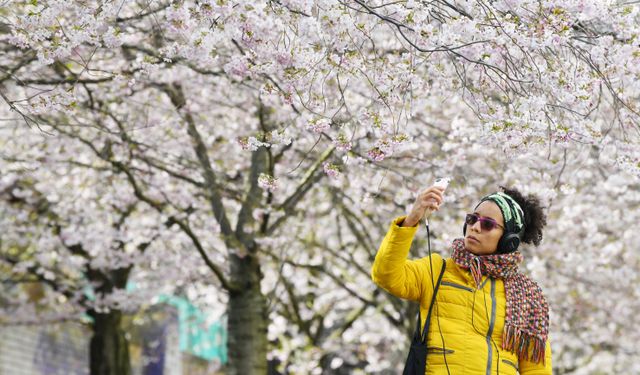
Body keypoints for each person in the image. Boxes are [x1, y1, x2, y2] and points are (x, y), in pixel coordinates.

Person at [371, 184, 552, 374]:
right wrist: (411, 220)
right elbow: (386, 274)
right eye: (472, 219)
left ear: (509, 239)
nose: (475, 227)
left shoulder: (527, 296)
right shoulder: (437, 271)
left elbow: (536, 369)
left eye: (488, 224)